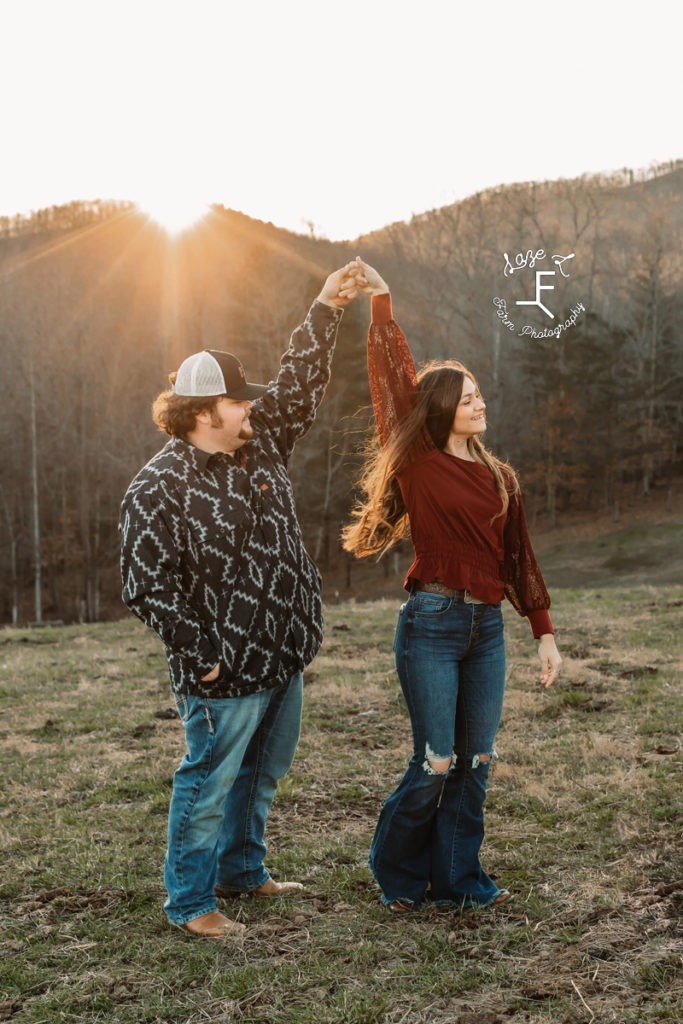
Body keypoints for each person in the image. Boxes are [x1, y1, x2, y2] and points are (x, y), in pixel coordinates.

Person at [119, 264, 358, 937]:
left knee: (262, 774)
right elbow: (148, 586)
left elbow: (300, 381)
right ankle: (192, 904)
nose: (253, 406)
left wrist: (324, 307)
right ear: (202, 411)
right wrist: (203, 658)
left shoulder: (262, 443)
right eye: (238, 400)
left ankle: (244, 872)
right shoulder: (156, 489)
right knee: (207, 783)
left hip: (283, 653)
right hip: (221, 672)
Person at [342, 258, 562, 913]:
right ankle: (399, 876)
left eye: (478, 393)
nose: (479, 402)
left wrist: (543, 635)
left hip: (486, 629)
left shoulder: (500, 476)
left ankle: (457, 882)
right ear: (441, 408)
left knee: (476, 762)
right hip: (432, 625)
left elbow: (519, 559)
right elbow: (390, 385)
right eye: (466, 397)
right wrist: (381, 303)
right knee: (436, 762)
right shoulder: (418, 461)